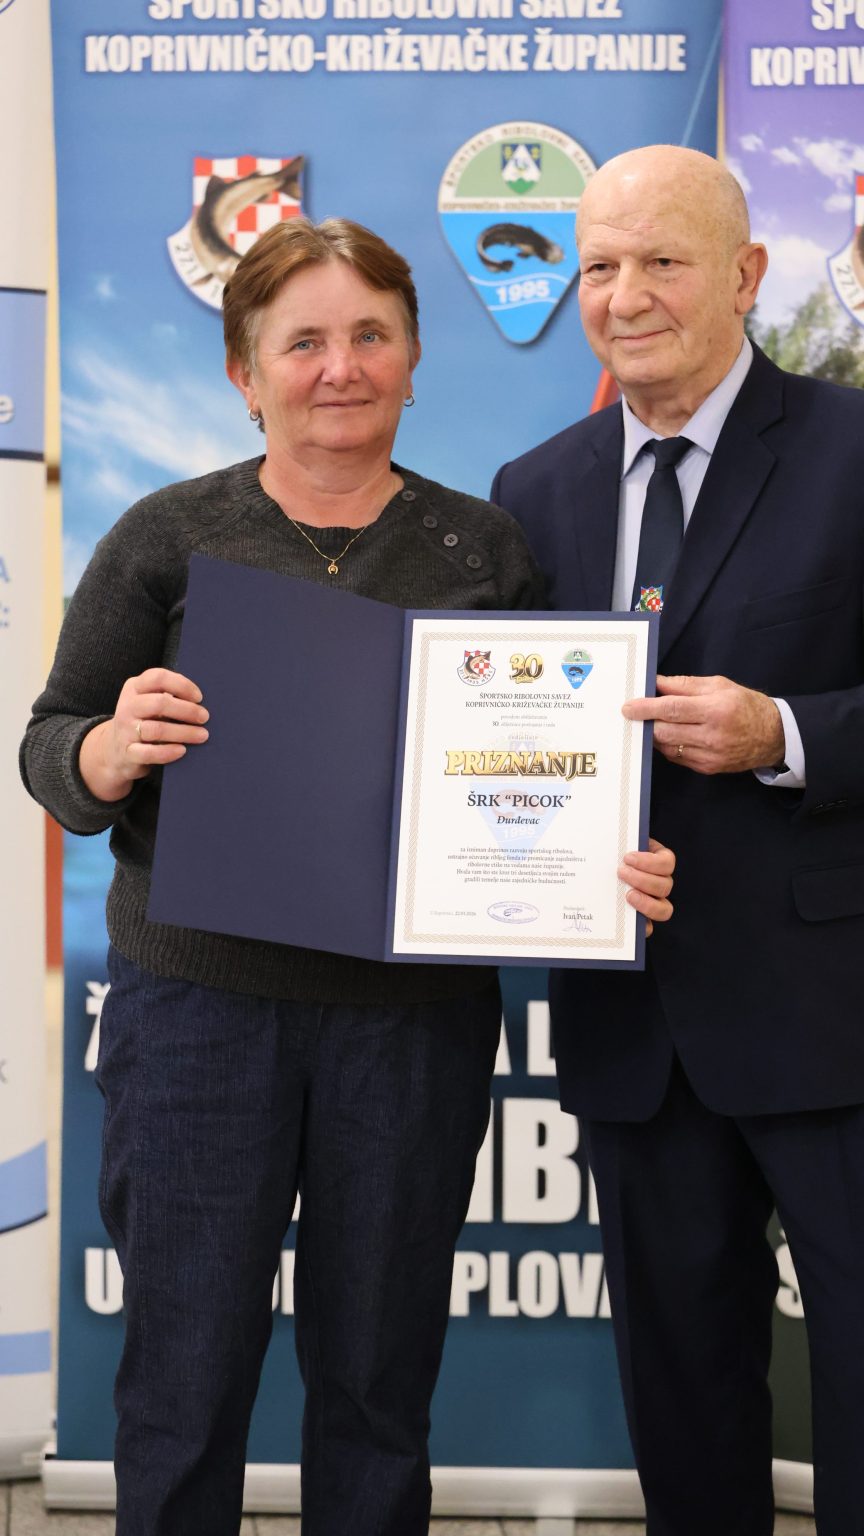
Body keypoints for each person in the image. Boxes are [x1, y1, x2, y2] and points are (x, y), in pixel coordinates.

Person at [21, 216, 674, 1536]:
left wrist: (604, 852)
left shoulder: (484, 550)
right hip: (199, 1020)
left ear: (415, 360)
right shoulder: (167, 535)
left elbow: (555, 759)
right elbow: (49, 747)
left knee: (379, 1382)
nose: (341, 367)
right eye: (303, 341)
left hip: (410, 1027)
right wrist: (107, 748)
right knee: (184, 1377)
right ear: (244, 373)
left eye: (372, 335)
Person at [491, 144, 864, 1536]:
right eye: (600, 265)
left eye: (663, 261)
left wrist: (786, 732)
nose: (625, 295)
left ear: (748, 274)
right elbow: (512, 742)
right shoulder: (534, 488)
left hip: (833, 1018)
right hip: (632, 1022)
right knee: (683, 1395)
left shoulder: (851, 450)